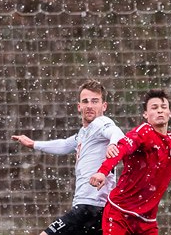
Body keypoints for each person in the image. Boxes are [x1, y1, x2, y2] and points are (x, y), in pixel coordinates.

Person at [11, 80, 124, 235]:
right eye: (85, 101)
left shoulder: (101, 123)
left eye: (95, 101)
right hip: (93, 209)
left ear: (104, 106)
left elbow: (116, 132)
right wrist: (34, 144)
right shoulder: (84, 133)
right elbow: (64, 145)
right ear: (79, 107)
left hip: (91, 206)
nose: (89, 105)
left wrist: (113, 144)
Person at [89, 88, 171, 234]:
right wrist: (102, 172)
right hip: (119, 213)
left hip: (147, 222)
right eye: (154, 108)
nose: (160, 111)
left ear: (170, 113)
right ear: (145, 114)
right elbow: (122, 148)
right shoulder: (144, 132)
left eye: (163, 107)